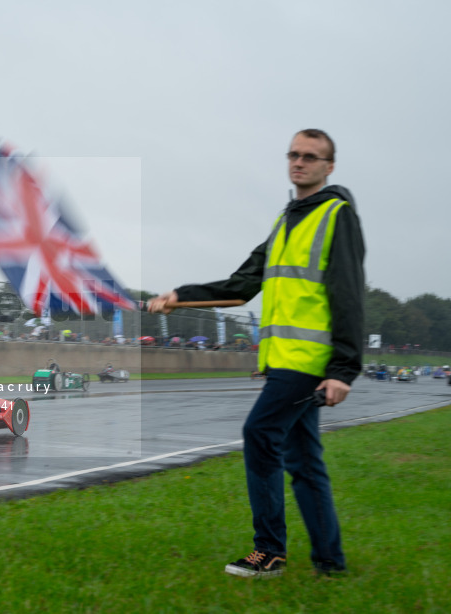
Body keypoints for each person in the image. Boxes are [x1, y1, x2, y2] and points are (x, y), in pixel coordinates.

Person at [148, 129, 365, 578]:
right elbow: (241, 286)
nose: (299, 162)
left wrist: (344, 369)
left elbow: (348, 295)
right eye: (293, 155)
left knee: (260, 435)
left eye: (310, 156)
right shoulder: (285, 221)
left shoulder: (336, 215)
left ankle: (269, 551)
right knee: (304, 461)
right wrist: (179, 296)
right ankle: (331, 562)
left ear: (329, 167)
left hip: (309, 365)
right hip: (283, 364)